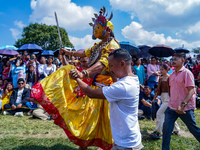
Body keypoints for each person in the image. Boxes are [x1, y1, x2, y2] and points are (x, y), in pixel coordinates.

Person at [30, 7, 120, 150]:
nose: (95, 30)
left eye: (98, 27)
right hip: (93, 86)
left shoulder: (112, 45)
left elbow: (103, 64)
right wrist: (68, 52)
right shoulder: (98, 45)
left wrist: (84, 73)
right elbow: (84, 53)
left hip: (106, 90)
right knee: (86, 119)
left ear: (107, 30)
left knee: (105, 124)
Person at [69, 48, 144, 150]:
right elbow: (117, 81)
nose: (110, 69)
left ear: (122, 64)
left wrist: (77, 77)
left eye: (111, 65)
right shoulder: (133, 79)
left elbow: (91, 93)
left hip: (126, 144)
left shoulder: (123, 86)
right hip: (127, 139)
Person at [162, 53, 200, 150]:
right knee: (166, 129)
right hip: (172, 107)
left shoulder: (187, 73)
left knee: (193, 129)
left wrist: (183, 104)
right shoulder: (172, 74)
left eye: (175, 59)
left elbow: (191, 90)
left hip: (185, 108)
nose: (173, 61)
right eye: (172, 59)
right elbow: (172, 90)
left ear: (182, 61)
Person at [149, 64, 180, 139]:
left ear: (167, 70)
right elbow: (158, 90)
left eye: (162, 69)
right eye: (160, 69)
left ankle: (158, 132)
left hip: (169, 98)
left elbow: (174, 89)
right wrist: (154, 98)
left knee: (159, 113)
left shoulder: (170, 78)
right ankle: (176, 130)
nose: (161, 71)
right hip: (163, 97)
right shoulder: (160, 78)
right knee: (169, 114)